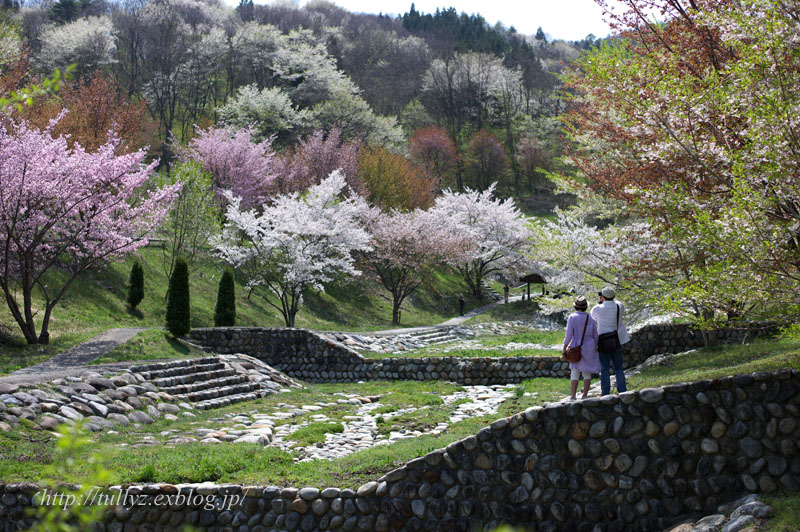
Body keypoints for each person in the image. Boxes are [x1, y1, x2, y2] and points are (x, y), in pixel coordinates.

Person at [590, 287, 630, 395]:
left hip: (603, 341)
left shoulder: (597, 308)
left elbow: (592, 319)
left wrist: (601, 302)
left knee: (604, 369)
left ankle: (605, 392)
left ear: (602, 297)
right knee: (618, 368)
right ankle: (622, 391)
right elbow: (618, 302)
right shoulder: (619, 306)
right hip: (616, 340)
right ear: (614, 296)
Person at [563, 296, 600, 400]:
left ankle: (573, 396)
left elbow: (569, 334)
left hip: (576, 347)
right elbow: (595, 335)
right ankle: (585, 395)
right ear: (586, 307)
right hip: (589, 346)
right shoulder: (591, 318)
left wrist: (565, 347)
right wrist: (595, 347)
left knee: (574, 371)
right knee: (587, 372)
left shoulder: (572, 317)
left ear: (575, 306)